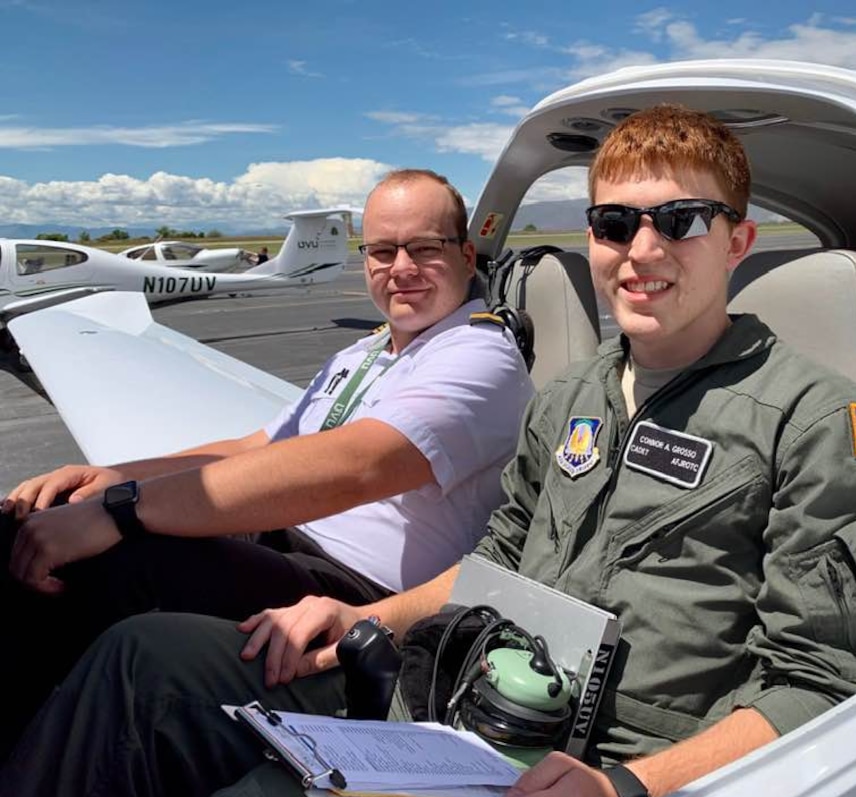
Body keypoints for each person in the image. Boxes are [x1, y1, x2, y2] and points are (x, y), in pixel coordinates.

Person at [1, 105, 856, 797]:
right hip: (465, 704)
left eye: (680, 220)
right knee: (142, 660)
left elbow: (826, 683)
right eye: (613, 222)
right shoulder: (572, 397)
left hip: (606, 760)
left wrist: (626, 789)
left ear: (738, 242)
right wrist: (359, 619)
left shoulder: (824, 420)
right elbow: (496, 568)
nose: (642, 251)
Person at [0, 168, 534, 760]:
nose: (400, 267)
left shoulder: (480, 356)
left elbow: (359, 465)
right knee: (30, 521)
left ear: (464, 254)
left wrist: (121, 514)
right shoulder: (366, 351)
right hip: (287, 543)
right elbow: (261, 445)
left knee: (123, 560)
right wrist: (119, 478)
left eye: (424, 248)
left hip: (354, 585)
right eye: (382, 250)